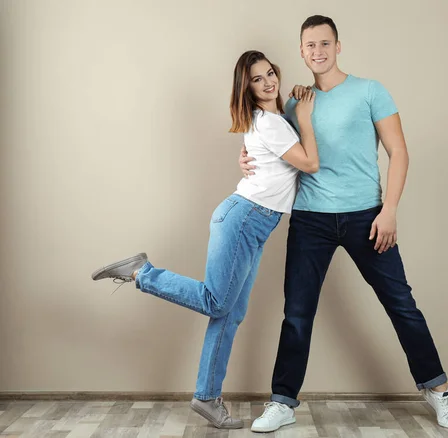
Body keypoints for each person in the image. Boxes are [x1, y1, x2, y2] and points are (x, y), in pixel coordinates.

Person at [241, 16, 448, 433]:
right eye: (310, 45)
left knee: (401, 305)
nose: (317, 51)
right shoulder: (295, 104)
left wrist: (390, 209)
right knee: (297, 314)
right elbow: (277, 150)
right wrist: (244, 157)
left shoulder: (369, 91)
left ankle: (440, 391)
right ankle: (282, 401)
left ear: (338, 46)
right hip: (311, 220)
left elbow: (399, 152)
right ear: (301, 50)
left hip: (367, 217)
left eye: (325, 43)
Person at [91, 50, 318, 430]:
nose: (268, 82)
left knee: (229, 313)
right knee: (218, 301)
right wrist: (306, 120)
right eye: (257, 79)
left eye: (269, 74)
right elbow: (309, 163)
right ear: (245, 88)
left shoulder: (268, 121)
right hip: (245, 218)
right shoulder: (271, 123)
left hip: (253, 221)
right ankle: (142, 273)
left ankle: (207, 397)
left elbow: (267, 160)